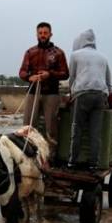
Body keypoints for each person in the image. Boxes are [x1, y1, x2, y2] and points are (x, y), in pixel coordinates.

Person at [19, 22, 69, 158]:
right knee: (28, 126)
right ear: (36, 34)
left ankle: (50, 157)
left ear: (50, 34)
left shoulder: (58, 53)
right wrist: (30, 77)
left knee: (51, 128)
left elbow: (65, 73)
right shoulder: (30, 52)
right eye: (40, 33)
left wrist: (50, 74)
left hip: (51, 94)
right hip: (33, 93)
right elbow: (22, 72)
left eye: (45, 33)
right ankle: (28, 153)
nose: (42, 35)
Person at [66, 29, 111, 170]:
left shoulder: (75, 55)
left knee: (77, 129)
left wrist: (71, 94)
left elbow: (71, 77)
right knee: (95, 132)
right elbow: (108, 81)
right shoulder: (103, 57)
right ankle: (93, 164)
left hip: (82, 95)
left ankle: (72, 161)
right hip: (100, 96)